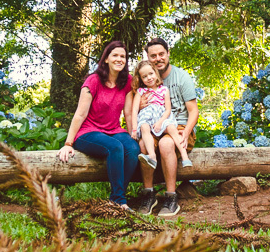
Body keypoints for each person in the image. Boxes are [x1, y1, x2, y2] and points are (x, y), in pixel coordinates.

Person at [56, 41, 140, 209]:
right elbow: (80, 114)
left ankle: (117, 196)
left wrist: (132, 134)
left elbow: (129, 113)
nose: (119, 59)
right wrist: (68, 143)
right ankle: (119, 201)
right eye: (115, 55)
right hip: (88, 132)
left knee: (132, 149)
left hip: (114, 129)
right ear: (106, 59)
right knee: (115, 147)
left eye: (122, 56)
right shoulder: (93, 81)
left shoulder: (127, 81)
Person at [130, 36, 199, 217]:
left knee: (166, 144)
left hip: (179, 126)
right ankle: (148, 194)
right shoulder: (144, 81)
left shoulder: (181, 77)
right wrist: (142, 106)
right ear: (148, 58)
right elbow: (133, 108)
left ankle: (171, 197)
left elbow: (194, 111)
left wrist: (186, 133)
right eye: (153, 55)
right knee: (144, 145)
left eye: (161, 54)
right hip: (152, 126)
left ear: (168, 54)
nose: (158, 58)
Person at [129, 60, 188, 170]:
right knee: (144, 127)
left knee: (171, 127)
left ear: (156, 73)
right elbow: (134, 110)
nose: (149, 78)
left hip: (161, 117)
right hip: (147, 117)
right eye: (145, 76)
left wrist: (160, 122)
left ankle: (184, 156)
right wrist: (133, 129)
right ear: (140, 79)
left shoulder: (164, 90)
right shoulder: (140, 91)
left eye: (151, 74)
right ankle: (152, 156)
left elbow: (168, 109)